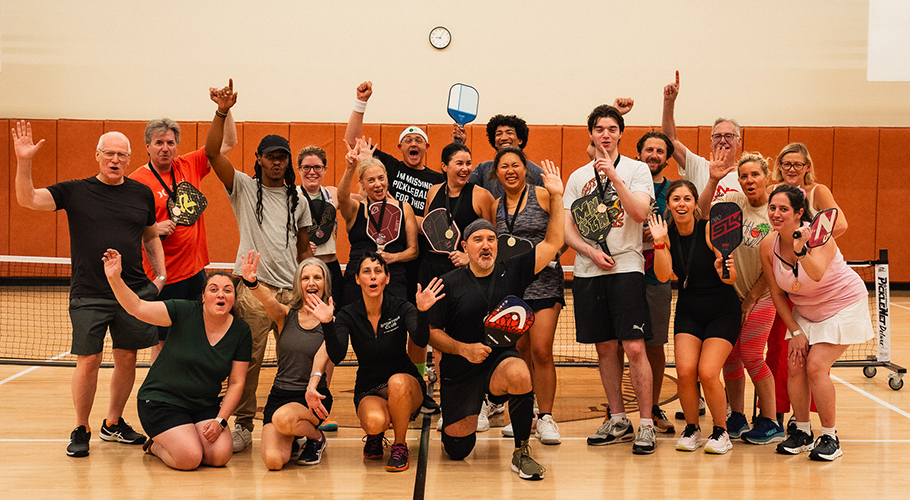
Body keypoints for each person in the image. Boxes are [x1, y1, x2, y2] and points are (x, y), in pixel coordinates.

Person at [13, 121, 165, 457]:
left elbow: (150, 234)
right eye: (108, 153)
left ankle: (113, 424)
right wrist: (25, 161)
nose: (115, 159)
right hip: (89, 291)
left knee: (127, 359)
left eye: (121, 155)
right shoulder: (75, 191)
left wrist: (161, 276)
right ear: (97, 156)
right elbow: (28, 200)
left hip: (133, 292)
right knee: (89, 359)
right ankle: (81, 427)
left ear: (129, 159)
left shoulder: (141, 193)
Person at [429, 159, 564, 481]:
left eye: (491, 239)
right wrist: (463, 349)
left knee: (519, 372)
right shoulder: (449, 282)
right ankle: (472, 409)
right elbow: (431, 333)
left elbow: (553, 243)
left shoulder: (513, 270)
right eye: (478, 240)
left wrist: (556, 197)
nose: (486, 245)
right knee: (457, 450)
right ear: (465, 247)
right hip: (460, 368)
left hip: (497, 361)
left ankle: (521, 451)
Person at [205, 81, 314, 452]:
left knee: (293, 366)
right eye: (270, 156)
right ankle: (244, 425)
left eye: (282, 156)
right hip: (252, 290)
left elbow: (304, 251)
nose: (277, 161)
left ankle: (290, 422)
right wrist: (222, 111)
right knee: (247, 363)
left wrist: (307, 290)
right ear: (260, 159)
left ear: (288, 161)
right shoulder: (243, 188)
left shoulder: (298, 200)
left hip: (289, 294)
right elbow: (211, 153)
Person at [344, 81, 445, 413]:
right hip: (370, 267)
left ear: (427, 147)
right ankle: (373, 384)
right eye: (408, 140)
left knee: (414, 331)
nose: (413, 143)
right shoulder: (388, 168)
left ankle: (415, 383)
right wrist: (361, 103)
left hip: (409, 265)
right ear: (400, 148)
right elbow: (353, 143)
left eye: (419, 140)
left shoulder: (434, 180)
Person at [102, 249, 250, 470]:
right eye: (214, 289)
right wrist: (115, 279)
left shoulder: (240, 330)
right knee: (189, 459)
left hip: (203, 405)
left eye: (227, 290)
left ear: (234, 298)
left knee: (220, 456)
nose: (221, 294)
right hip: (162, 402)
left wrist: (220, 420)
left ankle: (185, 435)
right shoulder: (183, 311)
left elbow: (237, 382)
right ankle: (155, 445)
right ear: (203, 296)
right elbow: (137, 307)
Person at [563, 104, 657, 455]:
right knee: (605, 349)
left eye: (612, 128)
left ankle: (645, 423)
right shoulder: (576, 177)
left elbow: (639, 213)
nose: (605, 134)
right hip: (590, 270)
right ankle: (617, 418)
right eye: (599, 128)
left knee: (634, 347)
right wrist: (588, 253)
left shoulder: (636, 170)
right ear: (591, 133)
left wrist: (613, 177)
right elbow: (567, 230)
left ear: (620, 133)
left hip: (626, 267)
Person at [760, 185, 870, 461]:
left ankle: (830, 436)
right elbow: (776, 292)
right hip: (806, 310)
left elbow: (817, 273)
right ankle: (803, 432)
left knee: (816, 366)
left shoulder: (821, 236)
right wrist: (794, 331)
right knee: (795, 364)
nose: (776, 213)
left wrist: (800, 251)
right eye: (772, 208)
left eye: (783, 209)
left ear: (799, 213)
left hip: (842, 304)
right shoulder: (767, 245)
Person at [130, 86, 238, 363]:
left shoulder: (188, 164)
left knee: (198, 333)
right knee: (164, 341)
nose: (165, 148)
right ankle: (159, 391)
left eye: (170, 142)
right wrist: (153, 229)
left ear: (176, 145)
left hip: (196, 272)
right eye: (158, 143)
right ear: (147, 146)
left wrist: (225, 108)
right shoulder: (136, 182)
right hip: (164, 277)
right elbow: (128, 230)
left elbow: (228, 142)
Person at [324, 251, 445, 472]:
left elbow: (419, 339)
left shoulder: (401, 307)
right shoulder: (347, 315)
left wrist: (423, 312)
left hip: (406, 385)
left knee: (397, 382)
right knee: (374, 422)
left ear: (387, 278)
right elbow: (337, 355)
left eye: (378, 271)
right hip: (369, 388)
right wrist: (326, 324)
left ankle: (400, 445)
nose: (372, 277)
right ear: (357, 278)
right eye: (366, 272)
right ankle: (376, 435)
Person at [698, 152, 784, 443]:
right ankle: (737, 415)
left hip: (763, 296)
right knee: (731, 358)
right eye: (744, 176)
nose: (749, 180)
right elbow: (702, 212)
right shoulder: (734, 203)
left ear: (767, 177)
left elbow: (773, 263)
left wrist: (751, 298)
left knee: (750, 355)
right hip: (731, 295)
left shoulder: (773, 213)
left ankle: (771, 421)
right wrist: (713, 179)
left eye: (755, 175)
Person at [649, 179, 740, 454]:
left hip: (722, 310)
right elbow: (664, 275)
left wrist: (723, 265)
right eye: (676, 199)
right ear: (670, 205)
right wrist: (658, 243)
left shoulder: (711, 229)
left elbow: (730, 279)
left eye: (687, 199)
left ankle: (721, 432)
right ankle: (692, 429)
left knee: (708, 372)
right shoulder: (666, 234)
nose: (681, 204)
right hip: (689, 310)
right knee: (685, 372)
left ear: (695, 204)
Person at [765, 142, 848, 432]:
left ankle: (815, 421)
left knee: (815, 362)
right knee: (782, 352)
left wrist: (809, 241)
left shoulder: (817, 191)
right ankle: (780, 412)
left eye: (797, 164)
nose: (790, 169)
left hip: (817, 278)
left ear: (807, 167)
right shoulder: (773, 192)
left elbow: (841, 224)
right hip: (788, 281)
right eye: (785, 163)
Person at [492, 147, 564, 444]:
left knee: (541, 350)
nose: (510, 170)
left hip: (545, 283)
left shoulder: (543, 195)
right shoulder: (494, 205)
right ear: (496, 173)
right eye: (504, 166)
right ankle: (525, 414)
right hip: (512, 288)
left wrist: (552, 255)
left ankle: (546, 417)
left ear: (525, 168)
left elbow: (562, 232)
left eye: (516, 165)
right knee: (519, 354)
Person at [240, 251, 334, 470]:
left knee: (284, 419)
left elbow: (328, 364)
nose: (311, 282)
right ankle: (294, 433)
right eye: (305, 278)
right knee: (273, 461)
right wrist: (251, 282)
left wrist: (319, 394)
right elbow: (267, 299)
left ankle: (316, 437)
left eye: (317, 277)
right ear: (298, 284)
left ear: (325, 283)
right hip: (280, 395)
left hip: (311, 399)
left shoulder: (331, 322)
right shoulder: (285, 315)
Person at [337, 138, 418, 305]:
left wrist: (394, 257)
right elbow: (342, 197)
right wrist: (350, 168)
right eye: (371, 180)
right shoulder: (355, 209)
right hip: (358, 279)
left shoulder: (404, 208)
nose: (378, 184)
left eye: (381, 178)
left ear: (387, 178)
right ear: (362, 184)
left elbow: (413, 251)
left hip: (393, 278)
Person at [297, 146, 344, 432]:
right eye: (306, 168)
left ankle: (322, 405)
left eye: (317, 167)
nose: (312, 172)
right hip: (303, 271)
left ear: (325, 169)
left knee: (329, 335)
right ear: (299, 170)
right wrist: (301, 246)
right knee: (303, 336)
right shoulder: (292, 196)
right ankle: (300, 395)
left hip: (331, 270)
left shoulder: (334, 194)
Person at [637, 131, 676, 434]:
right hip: (622, 274)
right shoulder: (624, 184)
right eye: (648, 149)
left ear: (667, 157)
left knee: (654, 346)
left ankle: (652, 405)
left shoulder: (674, 192)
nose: (653, 155)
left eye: (659, 151)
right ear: (638, 154)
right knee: (622, 344)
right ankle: (618, 410)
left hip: (656, 277)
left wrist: (662, 235)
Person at [419, 142, 495, 289]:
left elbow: (492, 240)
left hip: (463, 269)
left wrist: (469, 258)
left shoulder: (482, 196)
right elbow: (429, 229)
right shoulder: (433, 192)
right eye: (459, 163)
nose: (465, 169)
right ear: (444, 166)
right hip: (430, 267)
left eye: (468, 163)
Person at [661, 70, 740, 200]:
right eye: (717, 136)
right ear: (711, 142)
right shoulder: (699, 167)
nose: (722, 141)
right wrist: (669, 102)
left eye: (729, 136)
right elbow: (670, 141)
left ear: (739, 141)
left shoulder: (747, 176)